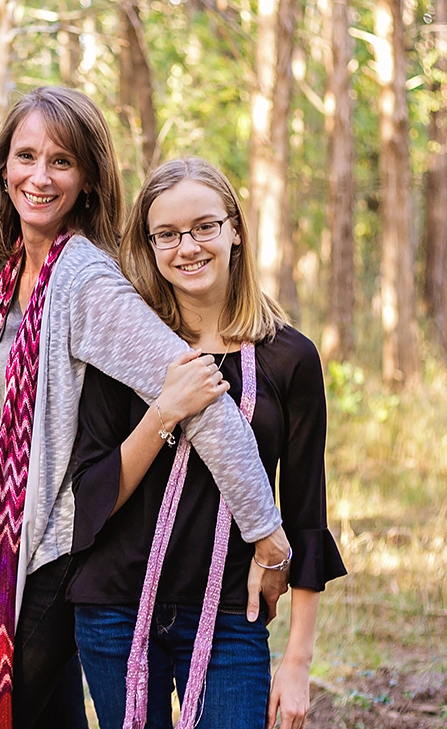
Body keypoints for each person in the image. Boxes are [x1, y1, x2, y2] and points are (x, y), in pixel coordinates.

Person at [0, 90, 295, 729]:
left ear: (90, 180)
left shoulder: (85, 281)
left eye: (62, 162)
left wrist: (267, 535)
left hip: (50, 553)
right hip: (3, 550)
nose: (39, 177)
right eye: (25, 157)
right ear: (2, 168)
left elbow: (204, 401)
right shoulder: (11, 271)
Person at [68, 158, 347, 729]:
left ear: (234, 229)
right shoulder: (123, 345)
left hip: (230, 616)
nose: (186, 247)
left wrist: (296, 664)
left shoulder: (289, 358)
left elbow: (305, 513)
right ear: (148, 245)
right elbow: (91, 496)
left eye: (204, 227)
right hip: (117, 609)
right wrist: (165, 409)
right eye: (166, 234)